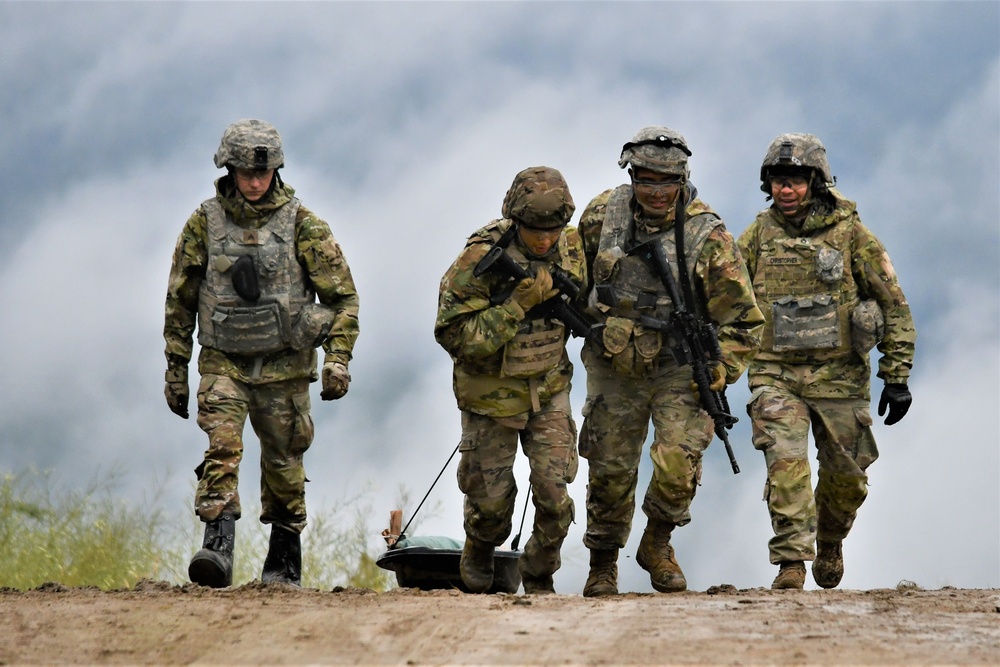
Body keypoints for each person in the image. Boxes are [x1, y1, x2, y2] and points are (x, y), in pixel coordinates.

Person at [163, 119, 360, 588]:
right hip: (222, 361)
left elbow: (343, 298)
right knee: (222, 448)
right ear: (228, 169)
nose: (255, 181)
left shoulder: (303, 225)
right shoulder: (203, 224)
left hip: (285, 366)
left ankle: (283, 563)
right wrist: (175, 368)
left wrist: (338, 358)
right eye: (246, 172)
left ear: (277, 169)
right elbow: (181, 299)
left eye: (264, 171)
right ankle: (218, 546)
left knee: (284, 462)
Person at [576, 126, 764, 597]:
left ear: (683, 180)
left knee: (679, 462)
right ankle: (602, 564)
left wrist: (720, 370)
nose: (657, 192)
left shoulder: (708, 237)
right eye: (646, 179)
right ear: (631, 174)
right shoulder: (602, 217)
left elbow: (745, 322)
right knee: (609, 469)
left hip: (679, 366)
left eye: (667, 182)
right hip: (613, 362)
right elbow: (572, 277)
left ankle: (657, 543)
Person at [737, 133, 916, 590]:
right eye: (778, 181)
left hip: (840, 377)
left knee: (847, 479)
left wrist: (895, 376)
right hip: (776, 374)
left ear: (815, 182)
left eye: (795, 180)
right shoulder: (757, 235)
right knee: (785, 463)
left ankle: (831, 538)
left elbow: (892, 304)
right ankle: (792, 562)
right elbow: (727, 299)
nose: (786, 189)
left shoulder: (852, 234)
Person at [435, 166, 584, 595]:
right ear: (515, 220)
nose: (544, 239)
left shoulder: (572, 249)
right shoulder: (477, 262)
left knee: (555, 497)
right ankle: (480, 547)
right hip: (490, 398)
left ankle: (538, 573)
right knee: (490, 505)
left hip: (549, 389)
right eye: (535, 229)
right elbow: (453, 334)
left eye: (553, 229)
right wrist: (515, 308)